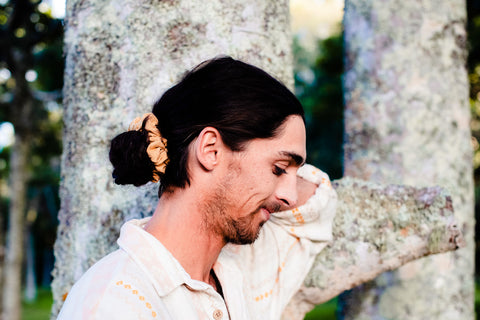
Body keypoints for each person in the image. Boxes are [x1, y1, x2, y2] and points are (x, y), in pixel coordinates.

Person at [58, 57, 337, 319]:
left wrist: (283, 171)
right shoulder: (113, 305)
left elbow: (318, 202)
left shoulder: (239, 273)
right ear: (211, 150)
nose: (289, 196)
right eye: (278, 168)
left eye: (292, 173)